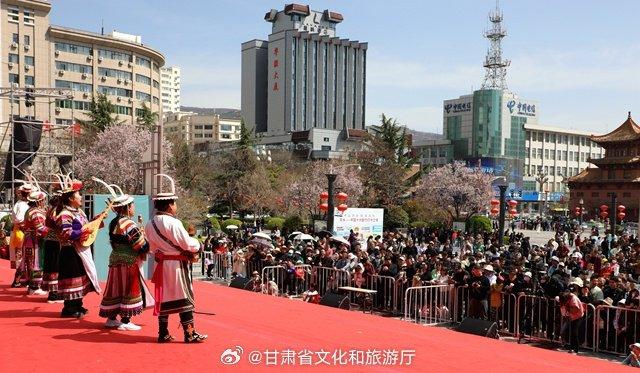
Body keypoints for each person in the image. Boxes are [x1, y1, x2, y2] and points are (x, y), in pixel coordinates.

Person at [145, 174, 207, 343]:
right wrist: (198, 245)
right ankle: (190, 333)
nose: (175, 206)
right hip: (178, 264)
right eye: (174, 203)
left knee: (164, 298)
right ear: (170, 205)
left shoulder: (150, 224)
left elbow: (151, 248)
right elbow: (187, 243)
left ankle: (163, 333)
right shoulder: (174, 223)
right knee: (184, 296)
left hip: (162, 264)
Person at [96, 180, 153, 331]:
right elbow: (140, 244)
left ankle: (112, 318)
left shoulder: (114, 222)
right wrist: (147, 245)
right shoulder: (128, 224)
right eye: (132, 205)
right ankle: (126, 320)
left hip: (115, 258)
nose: (134, 208)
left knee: (116, 287)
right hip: (128, 260)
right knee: (128, 288)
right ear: (127, 208)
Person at [56, 174, 101, 318]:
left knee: (81, 278)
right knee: (72, 278)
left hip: (80, 250)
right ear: (71, 199)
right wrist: (82, 231)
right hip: (70, 251)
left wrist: (97, 221)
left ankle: (78, 305)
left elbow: (85, 226)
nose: (81, 197)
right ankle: (69, 308)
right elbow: (65, 233)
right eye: (78, 195)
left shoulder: (79, 212)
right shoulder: (64, 214)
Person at [21, 186, 50, 295]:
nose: (44, 202)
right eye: (43, 200)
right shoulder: (36, 213)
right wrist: (54, 232)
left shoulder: (31, 210)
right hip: (35, 240)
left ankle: (32, 286)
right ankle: (34, 286)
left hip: (31, 238)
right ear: (39, 201)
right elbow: (40, 228)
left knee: (31, 262)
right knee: (36, 262)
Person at [42, 179, 63, 303]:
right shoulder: (56, 211)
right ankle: (54, 294)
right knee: (54, 266)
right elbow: (58, 224)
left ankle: (53, 292)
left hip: (51, 240)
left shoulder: (51, 209)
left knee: (51, 265)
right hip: (55, 241)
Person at [9, 181, 33, 287]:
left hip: (18, 231)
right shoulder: (22, 205)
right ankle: (18, 280)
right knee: (23, 257)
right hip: (21, 232)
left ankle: (20, 279)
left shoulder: (19, 203)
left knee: (23, 257)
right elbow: (18, 219)